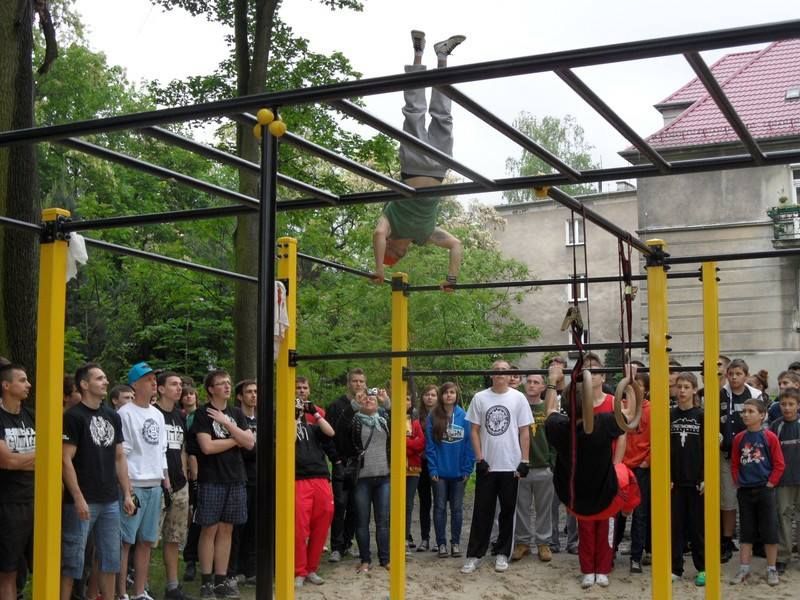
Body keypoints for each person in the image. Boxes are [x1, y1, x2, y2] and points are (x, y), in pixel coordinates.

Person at [372, 30, 465, 291]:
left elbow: (378, 234)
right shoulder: (425, 236)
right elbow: (456, 245)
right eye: (401, 255)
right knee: (444, 117)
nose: (404, 251)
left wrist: (379, 269)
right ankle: (443, 56)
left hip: (412, 166)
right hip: (438, 169)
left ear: (391, 244)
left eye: (398, 253)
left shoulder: (389, 220)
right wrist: (451, 279)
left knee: (414, 112)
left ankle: (417, 52)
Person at [544, 362, 640, 589]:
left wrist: (552, 381)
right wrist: (630, 382)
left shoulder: (558, 426)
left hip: (577, 497)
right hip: (603, 494)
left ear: (566, 404)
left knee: (596, 530)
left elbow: (549, 411)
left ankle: (598, 570)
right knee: (593, 531)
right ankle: (593, 570)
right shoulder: (603, 423)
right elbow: (630, 414)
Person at [61, 363, 136, 600]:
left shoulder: (112, 416)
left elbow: (119, 456)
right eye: (99, 378)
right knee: (73, 560)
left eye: (105, 378)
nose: (105, 382)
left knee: (110, 560)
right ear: (84, 384)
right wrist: (78, 497)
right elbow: (65, 460)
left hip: (110, 500)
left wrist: (125, 493)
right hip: (81, 501)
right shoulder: (73, 417)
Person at [460, 360, 532, 575]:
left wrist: (525, 461)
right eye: (496, 371)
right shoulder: (480, 397)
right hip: (488, 466)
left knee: (508, 512)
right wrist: (479, 459)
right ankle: (475, 555)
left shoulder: (518, 398)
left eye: (504, 371)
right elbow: (473, 430)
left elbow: (524, 431)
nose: (500, 374)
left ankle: (502, 553)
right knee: (482, 512)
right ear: (490, 374)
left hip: (511, 465)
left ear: (509, 374)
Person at [192, 369, 255, 599]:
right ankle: (206, 581)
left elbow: (249, 442)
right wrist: (234, 440)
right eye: (221, 383)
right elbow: (207, 447)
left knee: (228, 529)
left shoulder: (235, 413)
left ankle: (221, 579)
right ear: (211, 389)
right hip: (212, 478)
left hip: (236, 477)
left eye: (229, 383)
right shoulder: (202, 414)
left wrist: (228, 425)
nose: (227, 387)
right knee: (209, 529)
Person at [116, 362, 168, 600]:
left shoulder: (157, 414)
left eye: (154, 378)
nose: (153, 382)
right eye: (147, 378)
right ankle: (121, 593)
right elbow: (121, 456)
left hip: (154, 485)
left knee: (147, 541)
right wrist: (127, 491)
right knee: (125, 542)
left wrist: (165, 483)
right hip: (134, 484)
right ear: (134, 384)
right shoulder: (124, 414)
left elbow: (161, 452)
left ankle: (139, 592)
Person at [730, 398, 785, 586]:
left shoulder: (769, 437)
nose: (746, 414)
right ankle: (744, 569)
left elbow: (779, 464)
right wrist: (738, 481)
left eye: (751, 411)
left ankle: (771, 569)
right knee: (746, 531)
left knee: (769, 531)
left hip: (765, 490)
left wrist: (770, 483)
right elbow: (735, 463)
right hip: (745, 491)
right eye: (744, 411)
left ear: (762, 415)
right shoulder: (739, 438)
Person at [720, 358, 764, 562]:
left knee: (753, 500)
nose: (734, 377)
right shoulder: (720, 393)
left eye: (739, 374)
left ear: (746, 375)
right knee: (728, 500)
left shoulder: (754, 395)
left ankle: (755, 540)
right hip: (727, 454)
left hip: (751, 455)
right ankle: (727, 540)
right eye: (731, 374)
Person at [154, 371, 192, 599]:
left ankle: (172, 586)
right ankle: (142, 586)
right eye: (174, 384)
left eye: (180, 384)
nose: (179, 388)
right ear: (160, 389)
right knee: (148, 540)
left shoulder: (180, 415)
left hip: (179, 484)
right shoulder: (152, 414)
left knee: (174, 538)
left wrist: (185, 476)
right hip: (156, 485)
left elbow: (183, 448)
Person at [511, 374, 555, 563]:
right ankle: (523, 542)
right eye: (528, 381)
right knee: (521, 507)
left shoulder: (547, 408)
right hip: (522, 466)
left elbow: (555, 436)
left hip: (543, 465)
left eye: (536, 382)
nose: (531, 385)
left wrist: (552, 462)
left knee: (544, 508)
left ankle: (543, 543)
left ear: (544, 387)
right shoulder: (516, 406)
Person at [426, 382, 473, 558]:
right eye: (445, 392)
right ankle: (441, 544)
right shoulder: (433, 416)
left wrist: (467, 469)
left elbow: (470, 445)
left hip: (459, 473)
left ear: (456, 395)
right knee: (439, 508)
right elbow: (430, 446)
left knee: (457, 509)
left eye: (452, 392)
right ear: (441, 395)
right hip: (439, 473)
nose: (448, 395)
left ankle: (455, 543)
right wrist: (432, 469)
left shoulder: (465, 416)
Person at [0, 364, 35, 600]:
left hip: (36, 499)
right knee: (8, 571)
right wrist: (41, 457)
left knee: (40, 564)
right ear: (6, 385)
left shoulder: (32, 415)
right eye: (22, 380)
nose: (28, 384)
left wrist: (23, 460)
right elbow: (7, 461)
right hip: (9, 504)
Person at [326, 368, 367, 562]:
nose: (358, 384)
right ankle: (336, 546)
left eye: (361, 381)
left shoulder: (368, 406)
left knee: (355, 506)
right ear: (348, 383)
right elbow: (330, 435)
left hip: (360, 464)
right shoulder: (336, 406)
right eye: (355, 381)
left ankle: (347, 543)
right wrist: (336, 459)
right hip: (342, 462)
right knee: (340, 504)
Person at [294, 396, 335, 587]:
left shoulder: (313, 425)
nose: (300, 403)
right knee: (299, 527)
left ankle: (312, 568)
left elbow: (331, 432)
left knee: (323, 521)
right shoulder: (284, 421)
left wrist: (315, 413)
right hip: (298, 478)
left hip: (320, 477)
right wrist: (294, 416)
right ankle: (299, 570)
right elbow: (290, 438)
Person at [669, 372, 705, 586]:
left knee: (698, 528)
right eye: (679, 386)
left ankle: (703, 568)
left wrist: (705, 477)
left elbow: (707, 450)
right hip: (675, 481)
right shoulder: (669, 415)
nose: (682, 391)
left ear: (693, 390)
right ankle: (676, 568)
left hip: (697, 481)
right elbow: (665, 449)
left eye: (686, 387)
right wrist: (668, 476)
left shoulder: (701, 415)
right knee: (675, 527)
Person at [352, 388, 392, 572]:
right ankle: (365, 559)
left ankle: (385, 559)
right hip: (362, 478)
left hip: (383, 476)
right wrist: (355, 404)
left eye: (372, 399)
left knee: (383, 521)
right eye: (366, 399)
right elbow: (341, 428)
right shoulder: (355, 420)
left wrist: (387, 402)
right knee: (362, 521)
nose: (369, 400)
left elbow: (402, 421)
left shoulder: (384, 420)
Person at [616, 368, 651, 574]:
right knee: (617, 511)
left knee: (639, 513)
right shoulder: (621, 407)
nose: (634, 390)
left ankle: (636, 557)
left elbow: (657, 438)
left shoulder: (651, 409)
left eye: (639, 386)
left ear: (645, 390)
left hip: (640, 467)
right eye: (631, 386)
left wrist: (648, 460)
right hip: (622, 466)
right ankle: (612, 551)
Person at [769, 387, 800, 574]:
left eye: (791, 404)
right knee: (783, 517)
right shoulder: (775, 426)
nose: (787, 408)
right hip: (783, 480)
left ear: (798, 405)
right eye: (783, 404)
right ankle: (782, 556)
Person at [230, 379, 258, 584]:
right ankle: (233, 569)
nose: (253, 395)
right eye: (249, 392)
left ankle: (250, 569)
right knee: (237, 526)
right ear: (240, 396)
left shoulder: (264, 419)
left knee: (255, 526)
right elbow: (245, 448)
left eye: (256, 391)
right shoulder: (234, 418)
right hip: (240, 477)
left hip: (260, 478)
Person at [181, 382, 201, 582]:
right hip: (184, 468)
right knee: (194, 515)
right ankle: (190, 559)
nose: (188, 397)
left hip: (203, 470)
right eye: (184, 394)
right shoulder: (180, 416)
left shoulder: (201, 415)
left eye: (191, 394)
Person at [416, 384, 438, 552]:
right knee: (425, 501)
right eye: (427, 394)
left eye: (433, 394)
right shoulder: (416, 416)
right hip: (420, 463)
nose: (430, 397)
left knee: (440, 502)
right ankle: (425, 538)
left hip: (437, 463)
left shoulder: (442, 415)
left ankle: (440, 539)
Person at [405, 394, 425, 552]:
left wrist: (403, 442)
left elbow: (420, 444)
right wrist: (411, 444)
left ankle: (406, 535)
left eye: (408, 399)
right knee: (394, 504)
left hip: (412, 468)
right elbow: (390, 443)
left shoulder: (415, 423)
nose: (405, 402)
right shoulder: (389, 419)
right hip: (393, 468)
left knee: (409, 504)